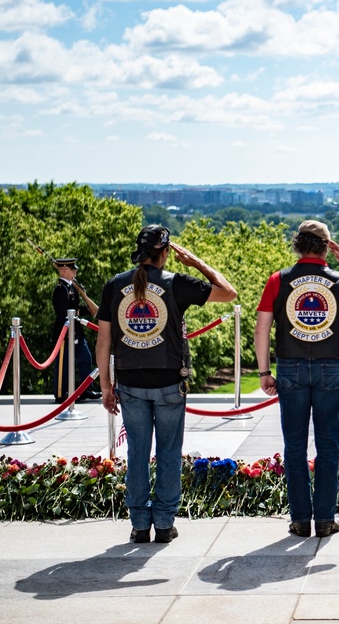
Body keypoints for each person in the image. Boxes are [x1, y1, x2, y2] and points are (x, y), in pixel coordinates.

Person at [96, 225, 236, 544]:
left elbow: (103, 342)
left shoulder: (115, 285)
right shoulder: (176, 283)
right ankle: (163, 524)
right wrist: (197, 262)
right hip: (170, 381)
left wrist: (106, 385)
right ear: (166, 252)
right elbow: (229, 293)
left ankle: (139, 525)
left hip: (130, 382)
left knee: (138, 453)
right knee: (169, 453)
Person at [255, 220, 339, 538]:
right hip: (330, 367)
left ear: (297, 245)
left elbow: (261, 329)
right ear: (327, 246)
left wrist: (263, 372)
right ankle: (325, 519)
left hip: (290, 367)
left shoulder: (278, 280)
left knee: (294, 446)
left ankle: (300, 520)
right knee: (328, 445)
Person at [51, 257, 101, 403]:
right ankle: (61, 393)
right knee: (63, 364)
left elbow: (76, 308)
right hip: (65, 332)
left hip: (76, 330)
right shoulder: (61, 289)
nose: (76, 270)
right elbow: (62, 313)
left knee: (86, 357)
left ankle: (86, 389)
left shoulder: (72, 287)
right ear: (64, 270)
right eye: (73, 268)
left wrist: (86, 306)